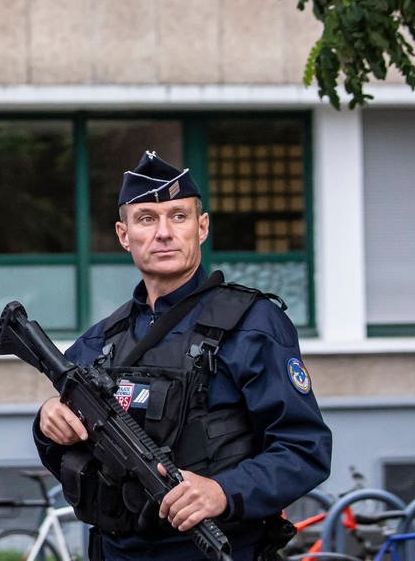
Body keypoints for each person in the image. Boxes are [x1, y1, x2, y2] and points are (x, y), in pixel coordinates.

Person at [33, 151, 331, 561]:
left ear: (201, 227)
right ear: (124, 235)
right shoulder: (101, 341)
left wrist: (223, 492)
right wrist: (48, 422)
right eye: (146, 219)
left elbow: (304, 449)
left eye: (178, 216)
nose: (164, 233)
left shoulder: (252, 325)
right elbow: (71, 455)